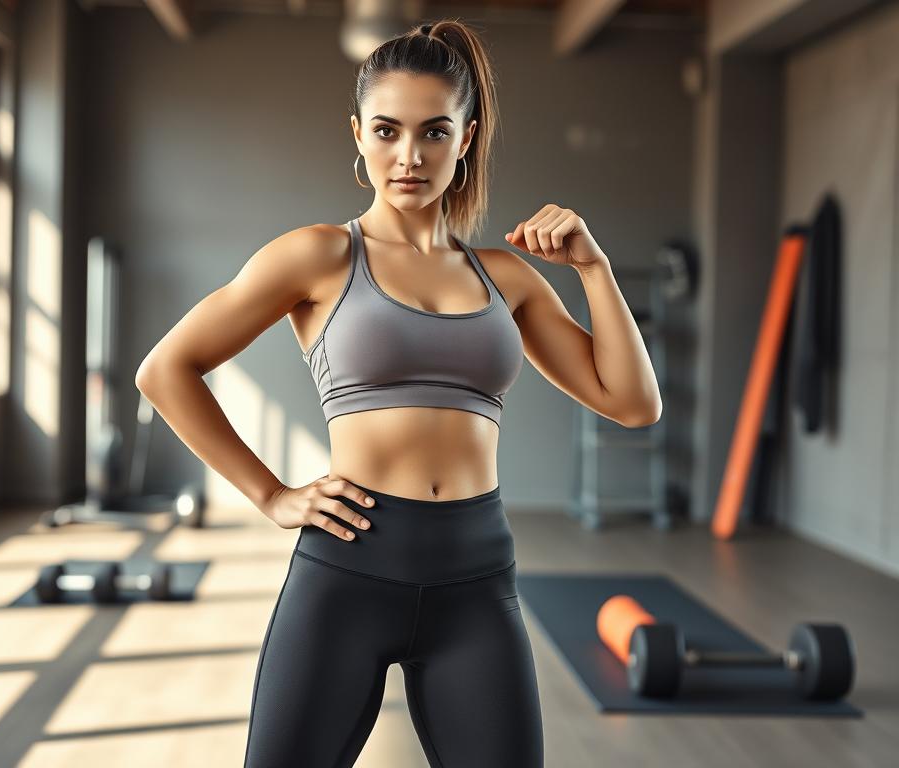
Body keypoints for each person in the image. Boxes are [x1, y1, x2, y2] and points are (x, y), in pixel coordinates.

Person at [135, 17, 661, 768]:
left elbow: (634, 403)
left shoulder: (505, 276)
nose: (409, 157)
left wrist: (595, 269)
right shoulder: (319, 255)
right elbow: (164, 369)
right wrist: (272, 495)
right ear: (357, 133)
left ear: (467, 137)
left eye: (434, 133)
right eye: (386, 131)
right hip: (347, 572)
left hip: (477, 582)